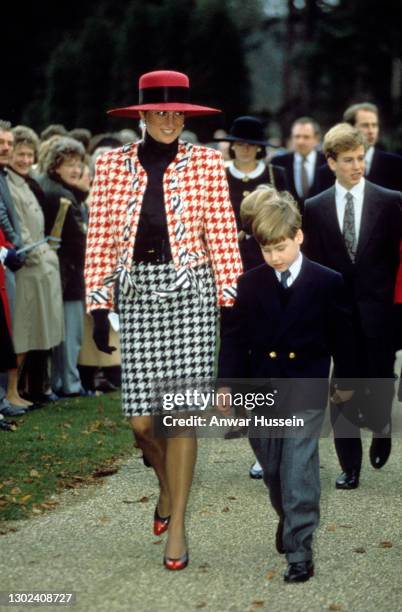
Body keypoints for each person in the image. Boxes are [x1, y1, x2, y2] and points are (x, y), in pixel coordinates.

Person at [85, 70, 242, 570]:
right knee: (141, 423)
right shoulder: (111, 165)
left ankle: (178, 526)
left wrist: (228, 297)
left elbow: (222, 232)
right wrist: (97, 303)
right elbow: (101, 237)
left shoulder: (207, 164)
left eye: (177, 113)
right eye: (160, 112)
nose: (170, 121)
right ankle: (166, 491)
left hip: (191, 297)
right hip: (136, 297)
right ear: (143, 116)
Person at [218, 186, 355, 582]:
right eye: (267, 250)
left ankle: (300, 549)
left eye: (281, 247)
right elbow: (235, 338)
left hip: (305, 389)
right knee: (275, 471)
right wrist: (226, 385)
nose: (275, 257)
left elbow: (342, 339)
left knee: (299, 470)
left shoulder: (327, 282)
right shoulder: (250, 284)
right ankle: (288, 518)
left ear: (299, 236)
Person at [303, 123, 402, 489]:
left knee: (378, 381)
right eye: (347, 160)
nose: (357, 166)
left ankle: (381, 430)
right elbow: (312, 264)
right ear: (330, 162)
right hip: (339, 316)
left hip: (381, 314)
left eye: (360, 158)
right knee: (342, 388)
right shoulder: (314, 208)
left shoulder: (390, 200)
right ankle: (350, 466)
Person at [6, 126, 64, 405]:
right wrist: (39, 256)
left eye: (30, 154)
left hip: (41, 263)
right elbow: (19, 226)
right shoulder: (10, 183)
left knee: (34, 333)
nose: (25, 159)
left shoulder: (26, 182)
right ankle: (12, 391)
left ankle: (26, 388)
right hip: (29, 266)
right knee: (23, 333)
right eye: (20, 153)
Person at [37, 137, 88, 397]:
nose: (76, 169)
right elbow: (80, 242)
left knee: (61, 334)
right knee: (70, 334)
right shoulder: (62, 195)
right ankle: (70, 383)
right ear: (56, 165)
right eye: (70, 163)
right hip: (68, 273)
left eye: (79, 163)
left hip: (58, 271)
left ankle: (61, 382)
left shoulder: (50, 187)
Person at [318, 102, 402, 192]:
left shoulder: (396, 164)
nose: (371, 131)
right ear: (350, 128)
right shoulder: (326, 171)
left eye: (374, 125)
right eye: (365, 125)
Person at [271, 117, 325, 213]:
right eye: (297, 136)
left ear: (316, 139)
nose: (300, 141)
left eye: (306, 137)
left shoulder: (327, 162)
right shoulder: (278, 163)